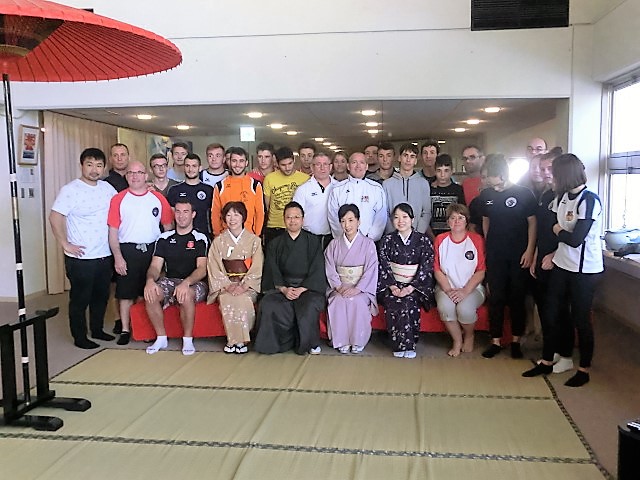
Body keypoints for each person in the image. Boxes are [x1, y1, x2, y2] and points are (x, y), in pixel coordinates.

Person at [523, 154, 603, 387]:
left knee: (580, 318)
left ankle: (583, 369)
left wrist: (559, 230)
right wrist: (554, 241)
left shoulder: (589, 200)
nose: (550, 177)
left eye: (554, 173)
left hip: (584, 269)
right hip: (562, 263)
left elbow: (576, 239)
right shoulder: (562, 198)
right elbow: (553, 229)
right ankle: (547, 360)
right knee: (551, 312)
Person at [49, 148, 117, 349]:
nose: (94, 170)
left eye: (99, 165)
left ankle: (97, 330)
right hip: (81, 257)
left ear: (104, 167)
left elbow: (121, 207)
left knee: (101, 296)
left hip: (104, 254)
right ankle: (79, 337)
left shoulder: (107, 188)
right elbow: (55, 217)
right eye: (89, 164)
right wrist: (65, 243)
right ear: (81, 166)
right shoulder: (70, 190)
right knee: (80, 299)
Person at [108, 161, 174, 345]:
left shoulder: (158, 198)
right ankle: (125, 329)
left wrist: (167, 256)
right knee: (125, 293)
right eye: (131, 173)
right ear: (126, 176)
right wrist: (118, 257)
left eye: (139, 172)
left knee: (148, 293)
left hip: (153, 251)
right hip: (127, 250)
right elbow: (113, 232)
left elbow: (168, 228)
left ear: (146, 175)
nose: (135, 176)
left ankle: (144, 329)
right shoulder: (118, 199)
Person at [479, 154, 536, 359]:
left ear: (504, 175)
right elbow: (485, 220)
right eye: (491, 183)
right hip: (496, 254)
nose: (495, 187)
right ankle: (495, 341)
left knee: (517, 299)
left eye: (497, 183)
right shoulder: (486, 194)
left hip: (519, 254)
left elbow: (532, 223)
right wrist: (489, 244)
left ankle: (516, 341)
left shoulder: (524, 193)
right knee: (496, 298)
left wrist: (530, 250)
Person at [255, 201, 326, 355]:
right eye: (289, 217)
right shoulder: (275, 243)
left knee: (308, 306)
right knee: (269, 304)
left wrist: (302, 289)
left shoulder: (313, 242)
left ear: (303, 219)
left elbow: (317, 269)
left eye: (296, 217)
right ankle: (276, 344)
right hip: (283, 287)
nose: (292, 221)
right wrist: (284, 289)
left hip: (307, 288)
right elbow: (272, 269)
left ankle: (309, 344)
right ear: (284, 219)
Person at [526, 149, 574, 374]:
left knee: (560, 311)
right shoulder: (547, 196)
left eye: (550, 168)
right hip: (542, 260)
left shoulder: (570, 198)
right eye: (542, 168)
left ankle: (566, 355)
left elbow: (571, 234)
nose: (545, 172)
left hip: (560, 263)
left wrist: (554, 255)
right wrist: (536, 254)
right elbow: (543, 231)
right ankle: (551, 349)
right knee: (545, 310)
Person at [143, 200, 208, 356]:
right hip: (170, 280)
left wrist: (186, 283)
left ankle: (187, 339)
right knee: (151, 293)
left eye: (186, 212)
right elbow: (155, 267)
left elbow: (202, 269)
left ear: (193, 214)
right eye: (178, 211)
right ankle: (161, 338)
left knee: (185, 294)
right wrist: (150, 281)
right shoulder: (164, 238)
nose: (181, 216)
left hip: (194, 282)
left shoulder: (200, 238)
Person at [378, 203, 435, 358]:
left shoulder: (423, 240)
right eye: (396, 217)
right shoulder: (387, 240)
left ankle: (409, 345)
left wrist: (411, 287)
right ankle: (398, 346)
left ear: (412, 219)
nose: (400, 221)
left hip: (415, 286)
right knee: (394, 301)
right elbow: (383, 265)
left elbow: (427, 267)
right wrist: (392, 286)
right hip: (392, 285)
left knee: (408, 302)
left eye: (404, 217)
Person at [207, 201, 263, 354]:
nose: (232, 219)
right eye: (229, 215)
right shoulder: (218, 241)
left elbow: (257, 266)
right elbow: (214, 266)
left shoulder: (254, 241)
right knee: (228, 299)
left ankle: (239, 341)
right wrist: (227, 285)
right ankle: (236, 341)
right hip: (226, 285)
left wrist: (244, 286)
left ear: (243, 217)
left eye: (236, 215)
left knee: (243, 299)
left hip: (247, 285)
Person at [324, 204, 378, 354]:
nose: (347, 225)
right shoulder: (334, 244)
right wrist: (338, 287)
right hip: (339, 287)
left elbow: (371, 270)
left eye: (351, 220)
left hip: (360, 288)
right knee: (337, 301)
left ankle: (358, 340)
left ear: (358, 221)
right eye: (343, 221)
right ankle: (341, 341)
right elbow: (330, 268)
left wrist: (358, 289)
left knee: (358, 301)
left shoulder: (368, 244)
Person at [434, 204, 486, 357]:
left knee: (465, 309)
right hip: (446, 287)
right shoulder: (440, 240)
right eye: (453, 218)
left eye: (460, 218)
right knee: (445, 307)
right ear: (448, 221)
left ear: (466, 221)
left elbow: (481, 271)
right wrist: (449, 290)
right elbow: (437, 270)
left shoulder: (476, 239)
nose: (456, 221)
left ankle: (469, 335)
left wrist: (465, 291)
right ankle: (457, 340)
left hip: (472, 288)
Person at [328, 152, 387, 241]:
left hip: (369, 241)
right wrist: (345, 238)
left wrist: (369, 239)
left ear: (366, 166)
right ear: (348, 166)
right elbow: (333, 217)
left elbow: (381, 217)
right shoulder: (337, 189)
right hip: (344, 241)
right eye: (354, 162)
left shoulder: (376, 188)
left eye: (362, 162)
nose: (358, 166)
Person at [211, 146, 264, 236]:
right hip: (226, 236)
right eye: (234, 161)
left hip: (248, 235)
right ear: (229, 162)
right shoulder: (220, 186)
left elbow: (259, 213)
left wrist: (256, 235)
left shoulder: (255, 185)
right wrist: (217, 235)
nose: (237, 165)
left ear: (246, 163)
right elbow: (215, 214)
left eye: (241, 161)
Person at [262, 146, 310, 245]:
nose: (287, 168)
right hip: (275, 227)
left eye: (290, 163)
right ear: (277, 164)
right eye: (283, 165)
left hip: (298, 227)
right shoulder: (269, 178)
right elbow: (267, 206)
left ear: (294, 160)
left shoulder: (305, 179)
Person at [383, 143, 431, 234]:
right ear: (399, 158)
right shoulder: (387, 184)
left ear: (415, 161)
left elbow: (426, 212)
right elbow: (385, 213)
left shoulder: (423, 184)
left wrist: (418, 234)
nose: (408, 160)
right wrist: (392, 234)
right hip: (393, 236)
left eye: (412, 156)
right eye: (405, 155)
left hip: (417, 236)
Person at [292, 152, 337, 248]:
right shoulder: (303, 189)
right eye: (318, 164)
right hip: (309, 238)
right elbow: (295, 214)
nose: (322, 168)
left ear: (330, 167)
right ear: (312, 167)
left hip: (333, 238)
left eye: (325, 164)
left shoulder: (339, 187)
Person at [167, 153, 214, 238]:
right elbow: (171, 217)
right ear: (184, 167)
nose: (190, 169)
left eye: (194, 166)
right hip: (180, 237)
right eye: (187, 166)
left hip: (203, 236)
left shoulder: (209, 190)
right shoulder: (174, 190)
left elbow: (214, 215)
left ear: (200, 168)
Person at [430, 153, 465, 236]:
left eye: (446, 170)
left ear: (452, 171)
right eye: (439, 170)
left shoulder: (458, 189)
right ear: (435, 171)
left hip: (453, 235)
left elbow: (463, 214)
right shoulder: (429, 189)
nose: (442, 175)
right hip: (432, 234)